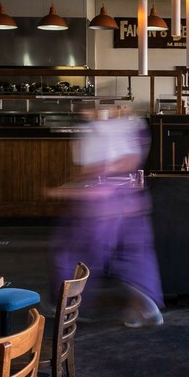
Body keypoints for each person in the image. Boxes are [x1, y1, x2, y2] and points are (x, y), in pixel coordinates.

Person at [51, 106, 164, 328]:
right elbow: (132, 160)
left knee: (75, 253)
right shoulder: (131, 126)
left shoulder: (92, 132)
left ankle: (68, 304)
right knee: (134, 255)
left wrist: (68, 189)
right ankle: (146, 307)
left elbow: (92, 170)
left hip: (102, 204)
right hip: (132, 200)